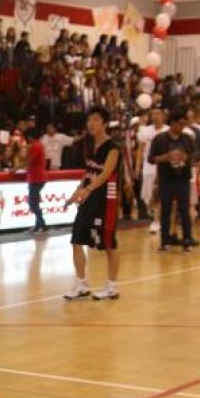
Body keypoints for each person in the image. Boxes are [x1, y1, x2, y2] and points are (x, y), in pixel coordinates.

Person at [63, 106, 121, 301]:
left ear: (104, 123)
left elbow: (105, 174)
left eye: (95, 119)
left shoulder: (113, 148)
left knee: (109, 244)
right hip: (88, 198)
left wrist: (87, 190)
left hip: (106, 200)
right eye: (89, 120)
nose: (91, 123)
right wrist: (76, 193)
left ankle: (112, 286)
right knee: (76, 240)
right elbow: (88, 173)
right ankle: (81, 284)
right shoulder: (89, 145)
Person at [148, 109, 199, 252]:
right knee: (166, 210)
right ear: (172, 123)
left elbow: (196, 155)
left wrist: (186, 157)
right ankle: (165, 240)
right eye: (180, 124)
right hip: (166, 179)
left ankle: (187, 239)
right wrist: (166, 157)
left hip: (183, 178)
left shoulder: (187, 138)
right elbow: (151, 159)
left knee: (184, 210)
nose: (182, 127)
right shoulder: (160, 139)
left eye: (184, 124)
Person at [138, 106, 168, 234]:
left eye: (158, 113)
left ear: (163, 116)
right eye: (153, 114)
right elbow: (141, 150)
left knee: (158, 194)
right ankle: (155, 216)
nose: (155, 116)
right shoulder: (145, 131)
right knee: (148, 197)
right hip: (148, 166)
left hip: (162, 166)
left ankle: (157, 221)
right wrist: (137, 166)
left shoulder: (167, 130)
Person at [25, 129, 47, 233]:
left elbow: (29, 161)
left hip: (36, 178)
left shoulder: (35, 146)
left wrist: (15, 168)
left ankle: (41, 223)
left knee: (33, 203)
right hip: (38, 178)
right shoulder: (39, 145)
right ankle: (39, 224)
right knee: (34, 203)